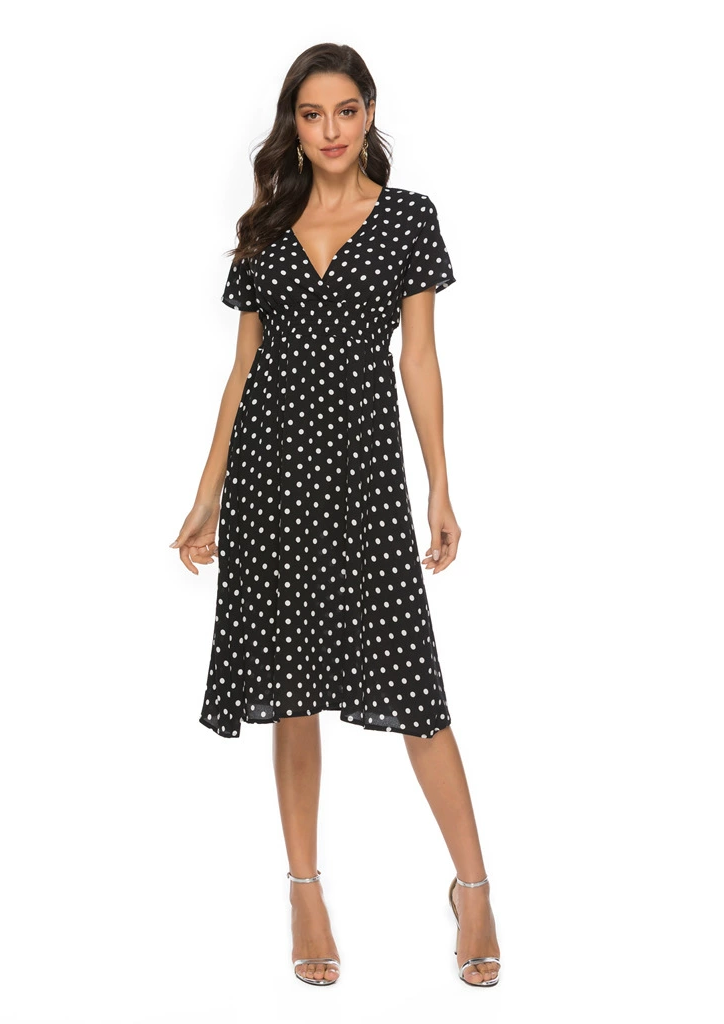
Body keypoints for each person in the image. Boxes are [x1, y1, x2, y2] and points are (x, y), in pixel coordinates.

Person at [170, 42, 501, 988]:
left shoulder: (406, 219)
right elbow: (243, 372)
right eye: (312, 115)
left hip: (362, 483)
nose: (329, 131)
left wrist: (440, 486)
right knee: (291, 690)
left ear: (368, 114)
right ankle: (304, 890)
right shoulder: (267, 230)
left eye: (345, 111)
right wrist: (206, 494)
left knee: (416, 693)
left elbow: (419, 360)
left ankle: (474, 887)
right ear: (294, 123)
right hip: (271, 483)